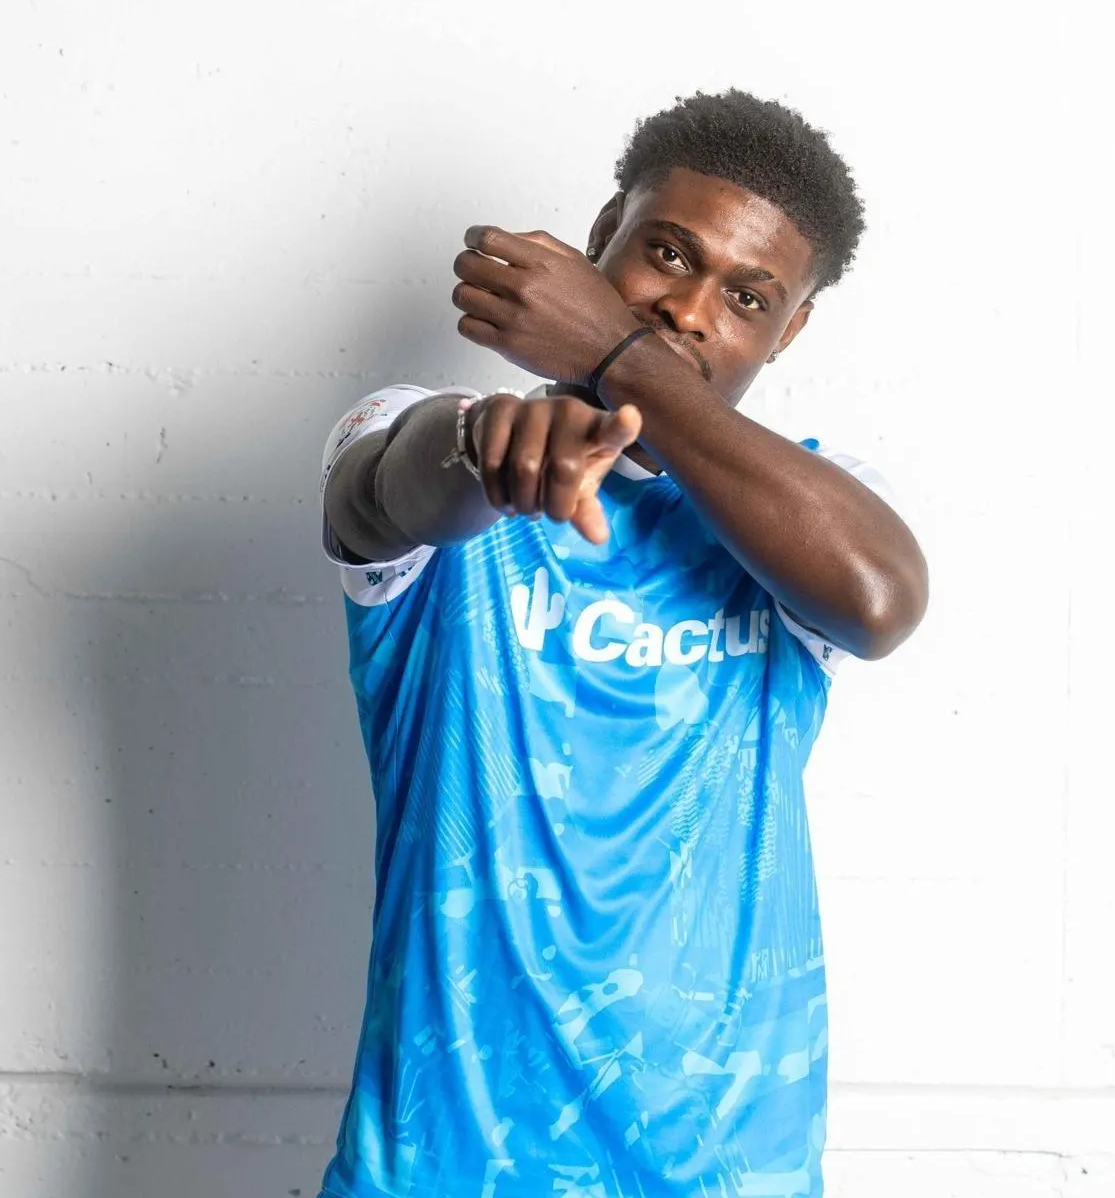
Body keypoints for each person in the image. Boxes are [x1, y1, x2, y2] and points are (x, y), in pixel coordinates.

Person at [316, 89, 928, 1198]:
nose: (689, 309)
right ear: (604, 233)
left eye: (747, 296)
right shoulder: (436, 434)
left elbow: (878, 598)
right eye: (667, 253)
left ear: (788, 331)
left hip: (726, 1166)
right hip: (445, 1162)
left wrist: (616, 351)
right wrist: (481, 448)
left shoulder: (810, 510)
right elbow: (386, 488)